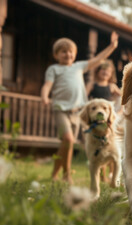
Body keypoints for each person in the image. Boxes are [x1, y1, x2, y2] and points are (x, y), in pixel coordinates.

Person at [41, 31, 119, 184]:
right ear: (56, 55)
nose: (68, 54)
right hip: (61, 110)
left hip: (77, 112)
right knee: (69, 139)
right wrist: (44, 96)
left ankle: (54, 174)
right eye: (63, 51)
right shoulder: (54, 69)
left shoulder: (78, 66)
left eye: (71, 51)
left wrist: (112, 47)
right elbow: (47, 85)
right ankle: (67, 174)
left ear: (75, 54)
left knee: (66, 143)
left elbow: (98, 59)